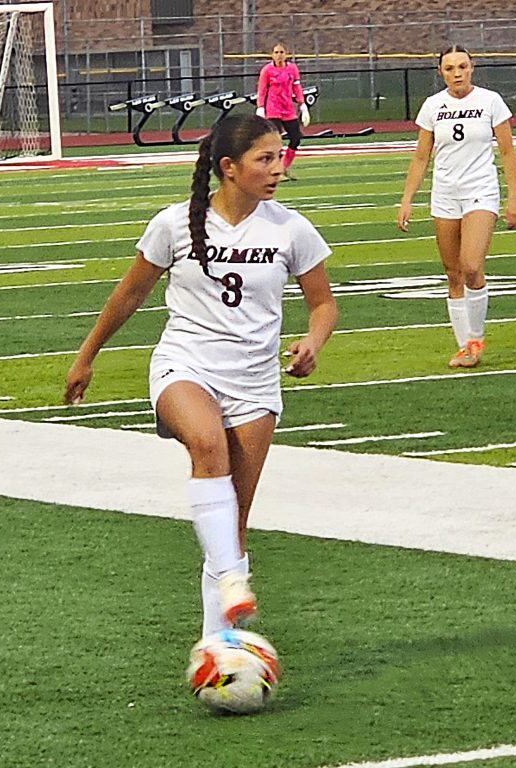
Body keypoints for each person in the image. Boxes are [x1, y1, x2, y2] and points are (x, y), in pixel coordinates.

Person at [64, 115, 337, 637]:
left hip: (255, 383)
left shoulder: (291, 228)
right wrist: (87, 354)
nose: (279, 168)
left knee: (231, 527)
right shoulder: (173, 224)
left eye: (280, 157)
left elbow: (323, 304)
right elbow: (131, 293)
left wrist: (312, 343)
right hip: (184, 366)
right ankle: (235, 579)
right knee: (206, 444)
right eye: (266, 158)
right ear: (229, 168)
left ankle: (219, 648)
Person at [397, 45, 516, 369]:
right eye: (450, 68)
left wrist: (514, 198)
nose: (457, 74)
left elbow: (508, 152)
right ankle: (464, 346)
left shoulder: (490, 101)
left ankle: (476, 338)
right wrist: (407, 200)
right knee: (452, 274)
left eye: (462, 67)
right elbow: (421, 156)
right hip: (445, 195)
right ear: (441, 71)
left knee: (471, 266)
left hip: (480, 191)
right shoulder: (432, 106)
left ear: (472, 68)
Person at [256, 42, 310, 181]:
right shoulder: (267, 70)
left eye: (281, 52)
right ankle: (275, 170)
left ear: (286, 54)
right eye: (276, 52)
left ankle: (284, 167)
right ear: (272, 55)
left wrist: (302, 104)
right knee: (275, 140)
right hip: (273, 108)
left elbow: (297, 87)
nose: (279, 55)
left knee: (296, 137)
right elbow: (262, 90)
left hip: (288, 108)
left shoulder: (292, 69)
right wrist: (261, 107)